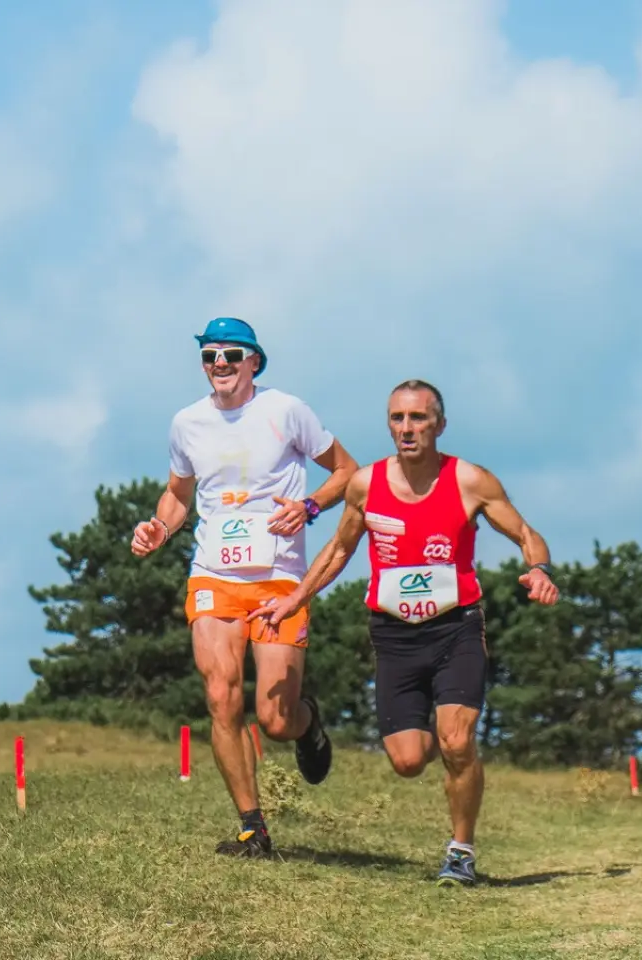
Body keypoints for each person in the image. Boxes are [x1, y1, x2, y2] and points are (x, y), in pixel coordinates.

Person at [251, 379, 559, 887]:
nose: (407, 428)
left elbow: (525, 532)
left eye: (418, 418)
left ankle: (461, 852)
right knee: (409, 760)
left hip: (456, 629)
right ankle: (439, 749)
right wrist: (293, 599)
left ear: (439, 424)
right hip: (394, 636)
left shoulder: (470, 480)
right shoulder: (365, 485)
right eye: (397, 418)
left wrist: (541, 569)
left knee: (457, 741)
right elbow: (337, 552)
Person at [130, 316, 359, 859]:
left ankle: (307, 725)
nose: (220, 366)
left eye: (232, 355)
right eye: (210, 357)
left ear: (254, 360)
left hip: (280, 577)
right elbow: (177, 495)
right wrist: (159, 527)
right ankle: (252, 827)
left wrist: (308, 507)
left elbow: (347, 472)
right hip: (214, 574)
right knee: (219, 697)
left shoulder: (286, 411)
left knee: (275, 720)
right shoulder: (187, 423)